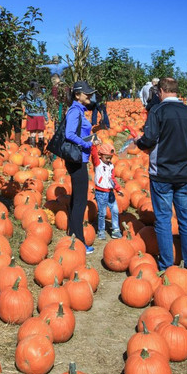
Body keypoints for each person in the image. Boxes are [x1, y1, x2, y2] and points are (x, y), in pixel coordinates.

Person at [134, 77, 187, 270]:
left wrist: (139, 141)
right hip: (185, 173)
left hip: (162, 173)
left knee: (163, 218)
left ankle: (166, 265)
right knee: (186, 218)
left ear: (161, 91)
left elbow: (149, 139)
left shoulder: (157, 111)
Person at [63, 80, 95, 253]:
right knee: (81, 201)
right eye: (86, 93)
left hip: (80, 158)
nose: (89, 95)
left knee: (77, 198)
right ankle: (80, 241)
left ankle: (74, 236)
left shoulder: (79, 110)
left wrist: (90, 139)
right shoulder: (75, 111)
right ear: (77, 95)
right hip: (77, 160)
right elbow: (69, 134)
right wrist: (86, 143)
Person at [93, 141, 122, 240]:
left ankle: (116, 230)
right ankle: (101, 231)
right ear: (100, 155)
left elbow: (112, 179)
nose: (109, 160)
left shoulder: (111, 166)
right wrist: (94, 145)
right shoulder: (98, 163)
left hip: (110, 192)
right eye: (107, 157)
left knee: (115, 211)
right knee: (102, 213)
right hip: (100, 192)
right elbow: (93, 154)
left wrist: (117, 188)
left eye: (110, 157)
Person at [23, 81, 48, 149]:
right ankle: (41, 150)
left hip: (31, 115)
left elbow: (20, 97)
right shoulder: (40, 94)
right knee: (40, 133)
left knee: (32, 133)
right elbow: (44, 106)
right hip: (39, 115)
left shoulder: (27, 93)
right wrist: (46, 117)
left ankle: (33, 149)